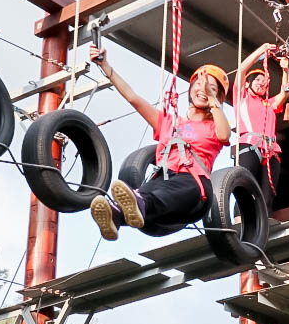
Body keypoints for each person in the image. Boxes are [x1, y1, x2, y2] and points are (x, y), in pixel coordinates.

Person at [88, 43, 231, 240]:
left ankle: (137, 204)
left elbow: (224, 135)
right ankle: (115, 217)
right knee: (147, 194)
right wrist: (105, 66)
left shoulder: (214, 126)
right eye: (198, 85)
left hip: (193, 186)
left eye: (210, 88)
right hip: (162, 180)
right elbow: (133, 97)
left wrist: (213, 97)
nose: (202, 90)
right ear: (190, 89)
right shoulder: (169, 122)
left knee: (152, 196)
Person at [234, 43, 289, 208]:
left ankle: (263, 225)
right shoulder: (242, 98)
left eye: (264, 82)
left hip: (271, 151)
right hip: (249, 145)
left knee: (267, 196)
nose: (262, 83)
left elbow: (284, 93)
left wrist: (286, 71)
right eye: (257, 80)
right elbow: (241, 71)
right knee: (243, 186)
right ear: (247, 84)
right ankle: (240, 224)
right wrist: (261, 50)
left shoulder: (268, 104)